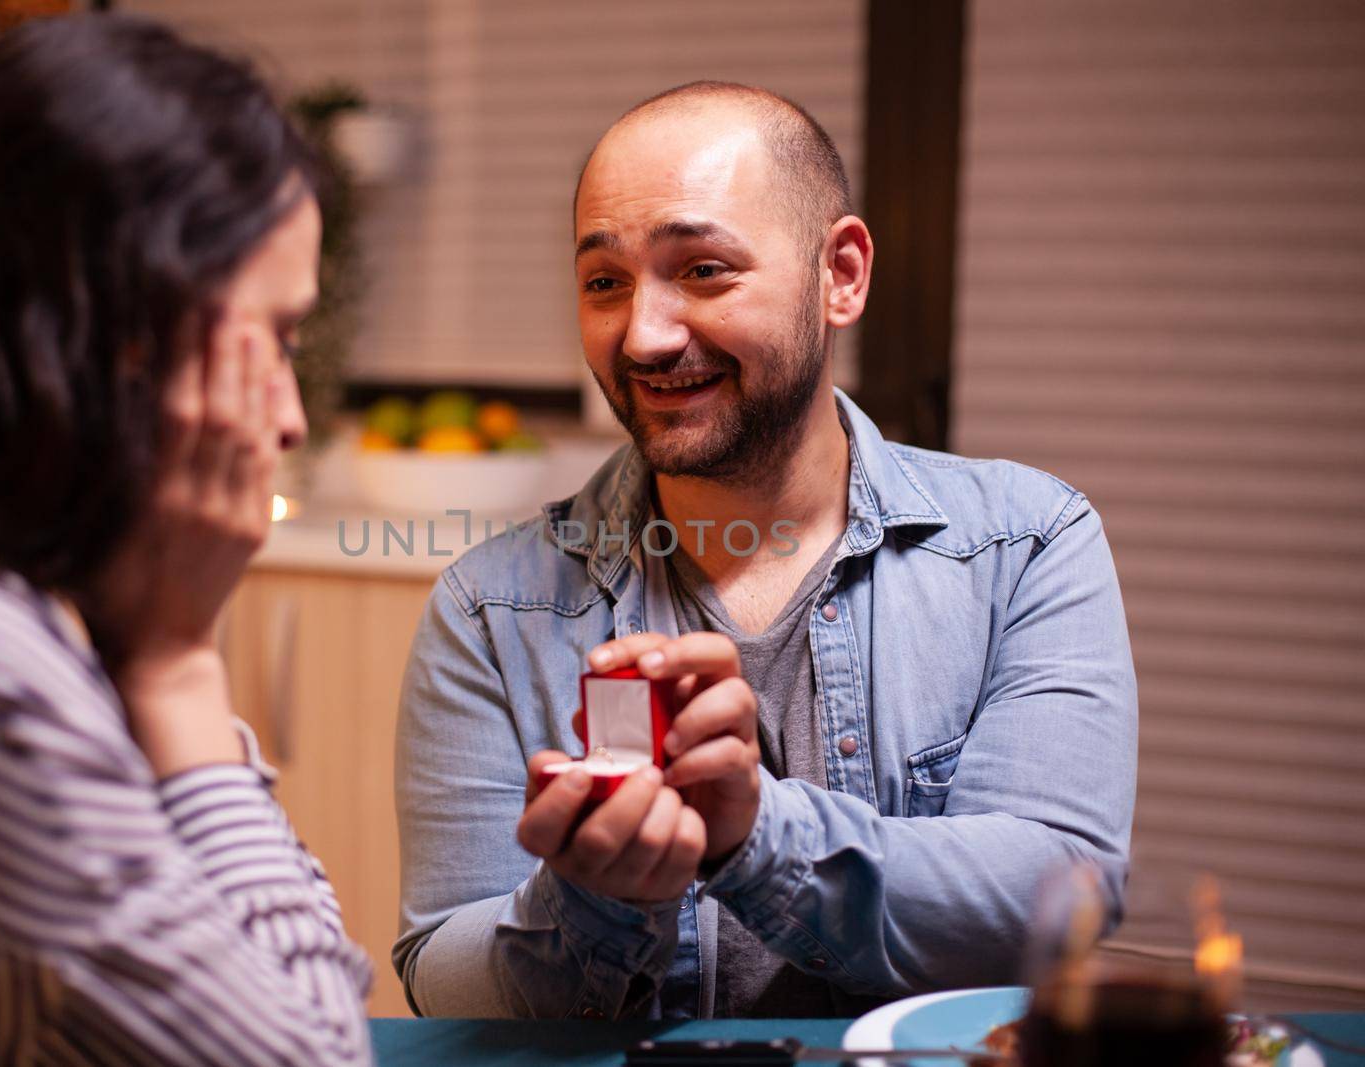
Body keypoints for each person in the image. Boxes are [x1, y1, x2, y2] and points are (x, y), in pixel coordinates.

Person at [393, 81, 1137, 1020]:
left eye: (703, 269)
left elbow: (1062, 894)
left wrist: (753, 831)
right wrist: (587, 902)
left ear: (843, 274)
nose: (644, 335)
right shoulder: (493, 609)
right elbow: (439, 976)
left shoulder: (1026, 545)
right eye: (604, 282)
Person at [0, 16, 372, 1064]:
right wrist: (180, 664)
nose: (286, 415)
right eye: (267, 340)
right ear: (108, 333)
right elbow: (308, 1051)